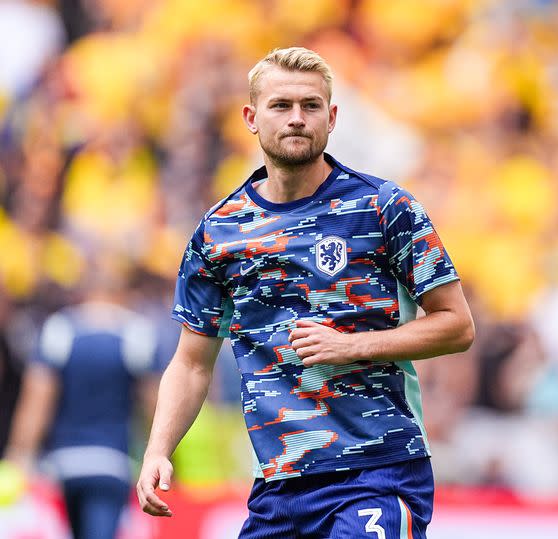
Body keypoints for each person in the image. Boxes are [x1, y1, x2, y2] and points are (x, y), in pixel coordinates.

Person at [136, 46, 475, 538]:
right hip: (281, 487)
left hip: (377, 473)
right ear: (252, 118)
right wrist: (157, 450)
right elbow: (191, 362)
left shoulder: (383, 208)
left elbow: (457, 325)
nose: (297, 118)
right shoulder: (219, 232)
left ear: (332, 117)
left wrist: (353, 345)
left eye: (311, 106)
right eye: (281, 106)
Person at [3, 269, 160, 539]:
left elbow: (37, 400)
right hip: (112, 461)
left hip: (64, 462)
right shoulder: (136, 333)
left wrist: (19, 453)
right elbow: (154, 404)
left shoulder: (60, 329)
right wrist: (160, 455)